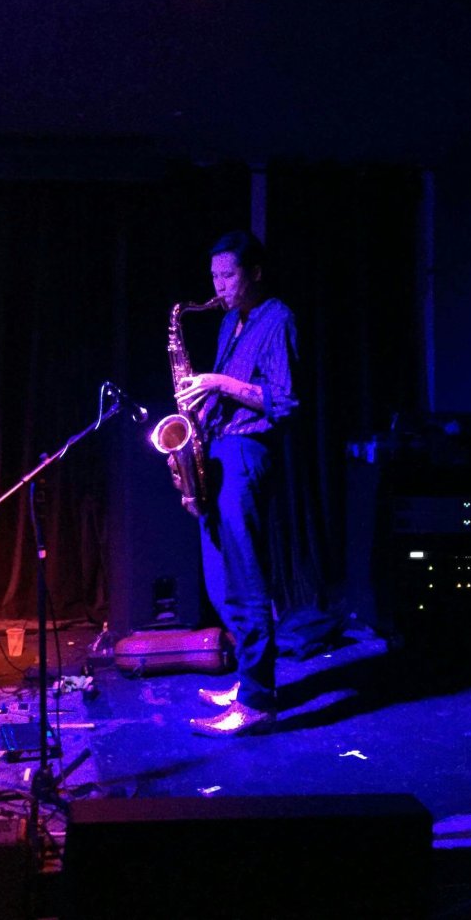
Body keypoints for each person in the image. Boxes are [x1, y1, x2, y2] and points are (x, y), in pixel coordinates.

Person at [175, 230, 299, 737]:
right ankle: (249, 678)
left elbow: (284, 400)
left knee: (246, 580)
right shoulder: (230, 321)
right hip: (218, 450)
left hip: (247, 453)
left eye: (228, 275)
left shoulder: (278, 319)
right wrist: (198, 417)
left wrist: (218, 382)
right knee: (220, 579)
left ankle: (258, 702)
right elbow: (222, 396)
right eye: (214, 276)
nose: (219, 286)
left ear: (255, 273)